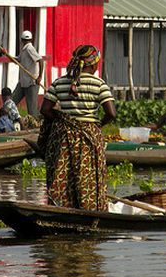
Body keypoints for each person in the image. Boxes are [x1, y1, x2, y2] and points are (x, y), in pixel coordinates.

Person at [39, 44, 116, 211]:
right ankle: (89, 210)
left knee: (63, 175)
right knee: (87, 176)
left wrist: (63, 121)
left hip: (63, 136)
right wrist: (97, 125)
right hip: (89, 138)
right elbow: (111, 113)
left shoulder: (59, 82)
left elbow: (45, 110)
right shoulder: (99, 84)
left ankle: (61, 209)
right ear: (94, 64)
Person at [12, 30, 44, 117]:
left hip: (31, 82)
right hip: (23, 81)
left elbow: (40, 60)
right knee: (12, 101)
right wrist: (7, 55)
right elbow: (18, 60)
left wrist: (40, 76)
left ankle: (34, 126)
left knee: (31, 108)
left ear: (22, 40)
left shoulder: (29, 48)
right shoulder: (24, 49)